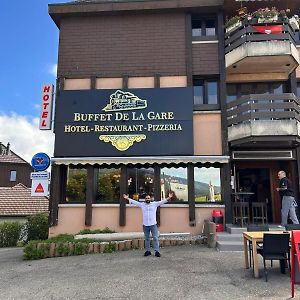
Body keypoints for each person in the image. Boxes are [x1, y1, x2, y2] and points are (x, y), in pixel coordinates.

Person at [122, 191, 174, 257]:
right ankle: (148, 251)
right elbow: (135, 202)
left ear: (150, 199)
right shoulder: (142, 205)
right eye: (146, 198)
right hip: (145, 225)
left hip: (153, 224)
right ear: (145, 199)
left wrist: (169, 197)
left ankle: (157, 251)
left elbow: (162, 201)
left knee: (155, 238)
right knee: (146, 238)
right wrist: (127, 198)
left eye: (148, 198)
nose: (147, 199)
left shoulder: (155, 204)